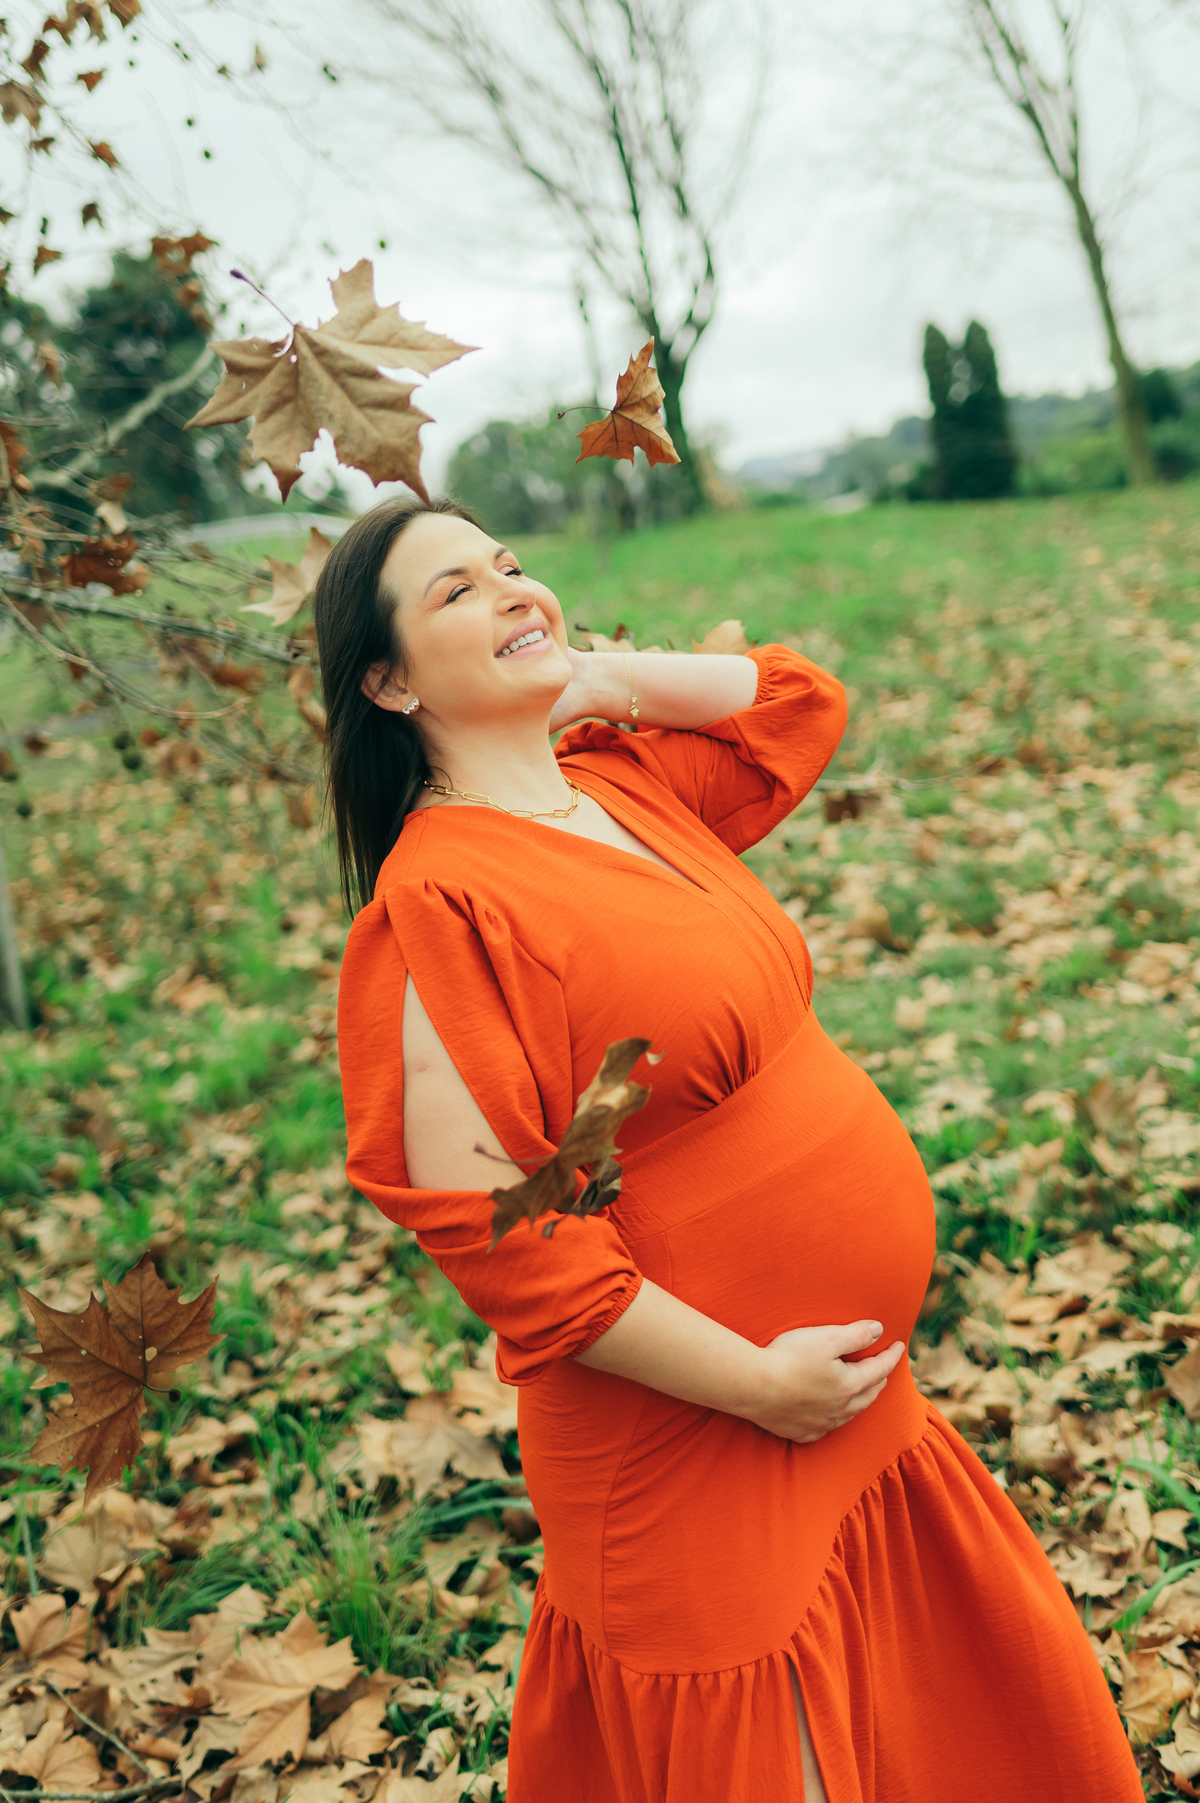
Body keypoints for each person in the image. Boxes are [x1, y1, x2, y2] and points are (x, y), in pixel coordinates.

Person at [317, 496, 1139, 1803]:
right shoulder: (442, 908)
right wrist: (753, 1385)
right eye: (459, 592)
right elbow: (507, 1238)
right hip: (697, 1438)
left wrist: (608, 676)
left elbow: (798, 703)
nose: (515, 591)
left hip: (851, 1409)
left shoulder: (627, 784)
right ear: (390, 678)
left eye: (517, 565)